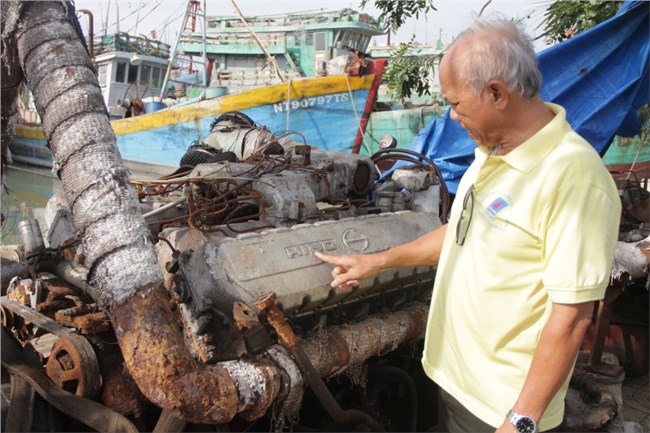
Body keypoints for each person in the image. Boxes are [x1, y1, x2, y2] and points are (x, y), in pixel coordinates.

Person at [315, 17, 621, 433]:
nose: (452, 116)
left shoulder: (573, 177)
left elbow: (571, 317)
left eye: (456, 103)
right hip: (454, 380)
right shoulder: (492, 152)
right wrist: (378, 262)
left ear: (496, 93)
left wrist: (521, 420)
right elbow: (462, 233)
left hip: (500, 406)